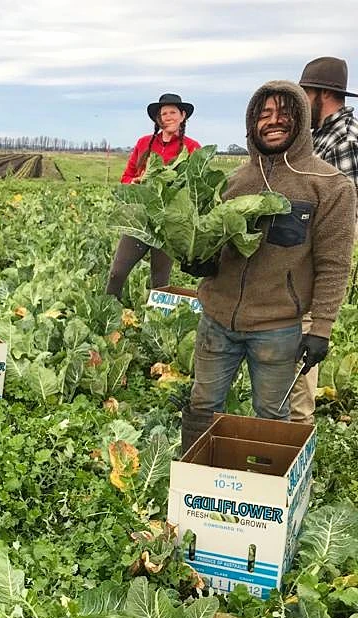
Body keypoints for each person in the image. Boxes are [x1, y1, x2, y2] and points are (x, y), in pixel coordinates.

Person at [181, 81, 356, 453]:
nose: (273, 121)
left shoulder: (329, 185)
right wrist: (199, 260)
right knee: (202, 406)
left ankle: (267, 497)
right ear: (251, 123)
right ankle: (194, 488)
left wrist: (321, 327)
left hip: (278, 329)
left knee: (272, 417)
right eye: (264, 115)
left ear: (302, 119)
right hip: (217, 319)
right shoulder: (232, 182)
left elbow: (334, 264)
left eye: (284, 114)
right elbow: (215, 250)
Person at [289, 57, 358, 424]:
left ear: (324, 94)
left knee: (301, 372)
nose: (301, 101)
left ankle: (298, 448)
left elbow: (344, 219)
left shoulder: (345, 139)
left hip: (315, 269)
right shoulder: (319, 135)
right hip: (296, 265)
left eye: (305, 93)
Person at [106, 93, 200, 301]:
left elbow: (197, 185)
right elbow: (126, 176)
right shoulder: (144, 143)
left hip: (169, 223)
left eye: (172, 112)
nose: (168, 116)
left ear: (182, 115)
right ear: (158, 119)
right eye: (163, 113)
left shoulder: (192, 148)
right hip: (141, 218)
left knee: (160, 281)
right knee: (116, 273)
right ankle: (108, 316)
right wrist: (136, 182)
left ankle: (157, 324)